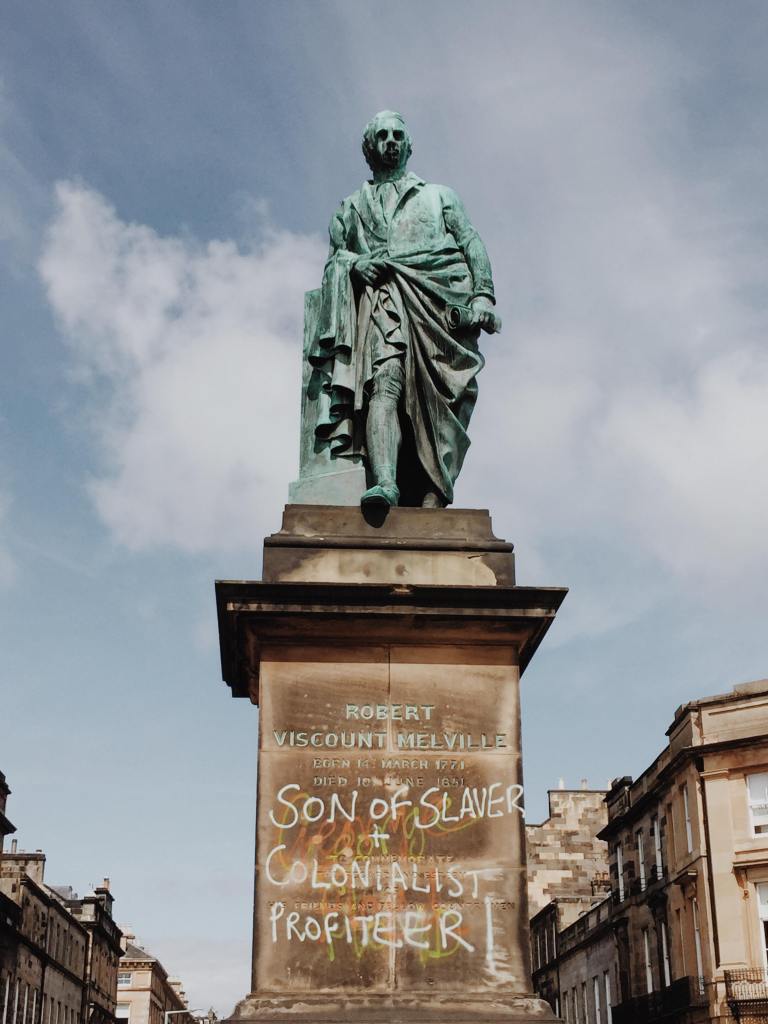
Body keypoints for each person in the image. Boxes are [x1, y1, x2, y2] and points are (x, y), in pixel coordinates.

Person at [309, 110, 499, 508]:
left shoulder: (439, 196)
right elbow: (334, 263)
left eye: (398, 134)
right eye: (382, 136)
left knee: (443, 403)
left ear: (409, 145)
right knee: (385, 383)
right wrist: (355, 264)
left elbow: (470, 242)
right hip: (383, 302)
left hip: (437, 309)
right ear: (369, 149)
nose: (391, 140)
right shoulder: (351, 208)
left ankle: (435, 488)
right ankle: (385, 485)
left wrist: (483, 295)